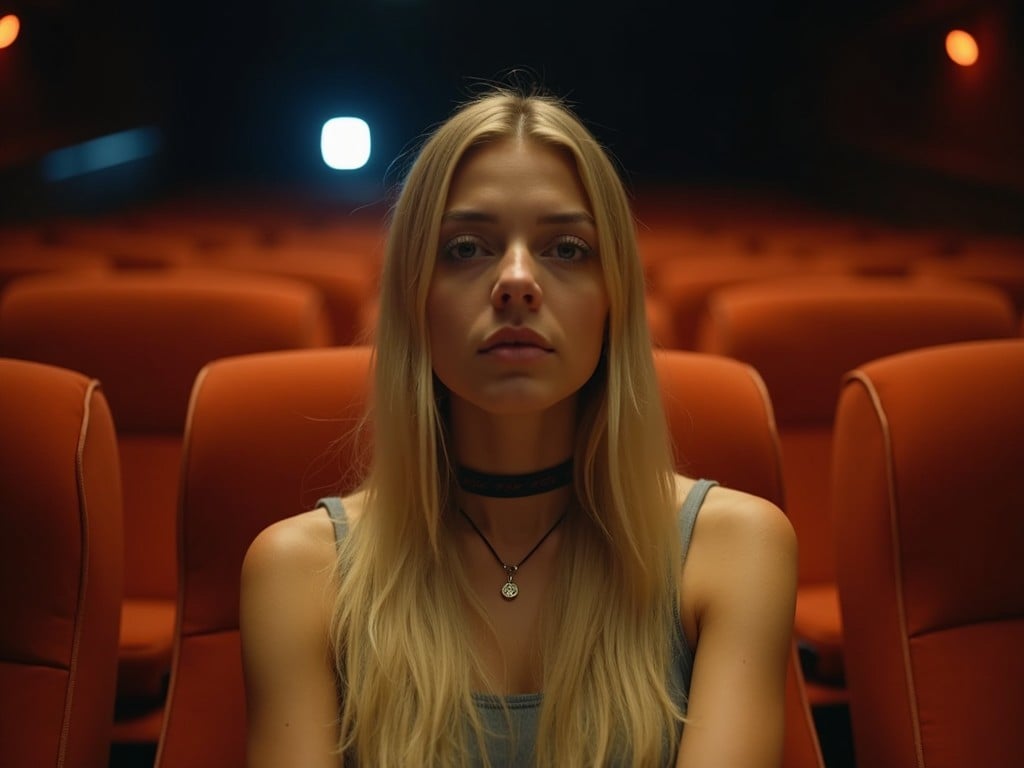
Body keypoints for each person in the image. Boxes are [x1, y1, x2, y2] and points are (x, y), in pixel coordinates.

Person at [239, 87, 797, 767]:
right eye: (467, 247)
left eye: (566, 249)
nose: (516, 280)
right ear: (415, 302)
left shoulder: (735, 549)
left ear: (613, 302)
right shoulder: (300, 571)